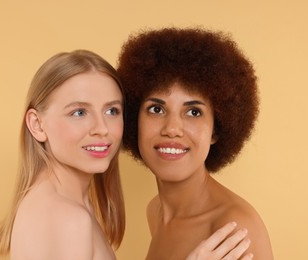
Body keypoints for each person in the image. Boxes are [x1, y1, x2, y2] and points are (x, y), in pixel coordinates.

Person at [0, 49, 252, 259]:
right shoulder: (66, 219)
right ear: (37, 125)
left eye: (112, 111)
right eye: (79, 112)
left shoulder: (61, 203)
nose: (101, 129)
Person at [117, 27, 273, 259]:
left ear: (216, 131)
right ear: (134, 120)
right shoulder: (155, 210)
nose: (171, 129)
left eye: (193, 112)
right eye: (156, 109)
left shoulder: (233, 228)